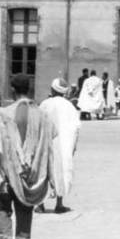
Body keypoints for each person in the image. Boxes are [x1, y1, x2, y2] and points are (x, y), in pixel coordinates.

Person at [0, 74, 55, 239]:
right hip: (31, 174)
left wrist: (0, 172)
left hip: (7, 171)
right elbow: (48, 144)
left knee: (0, 209)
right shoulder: (43, 115)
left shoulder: (4, 113)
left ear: (12, 89)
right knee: (25, 209)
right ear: (29, 89)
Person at [37, 78, 80, 213]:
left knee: (43, 171)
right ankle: (59, 204)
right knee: (62, 170)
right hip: (64, 144)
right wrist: (74, 145)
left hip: (46, 143)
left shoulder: (45, 104)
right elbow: (76, 128)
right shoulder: (69, 106)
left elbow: (38, 123)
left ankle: (40, 204)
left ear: (52, 89)